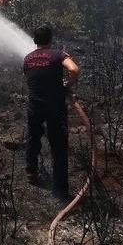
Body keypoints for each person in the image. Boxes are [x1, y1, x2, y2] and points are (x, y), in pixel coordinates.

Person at [23, 24, 80, 203]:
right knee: (59, 147)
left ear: (34, 41)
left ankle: (31, 173)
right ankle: (60, 190)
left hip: (34, 105)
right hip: (55, 107)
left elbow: (31, 77)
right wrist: (67, 85)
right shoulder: (58, 54)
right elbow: (74, 69)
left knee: (33, 138)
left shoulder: (28, 58)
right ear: (51, 40)